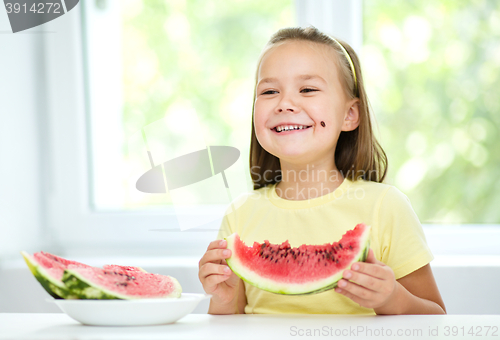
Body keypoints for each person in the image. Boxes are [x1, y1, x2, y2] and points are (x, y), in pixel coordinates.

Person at [198, 26, 446, 315]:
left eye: (307, 89)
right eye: (269, 91)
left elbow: (435, 317)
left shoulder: (385, 207)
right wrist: (223, 298)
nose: (285, 103)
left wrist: (392, 298)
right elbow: (232, 323)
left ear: (350, 114)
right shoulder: (240, 214)